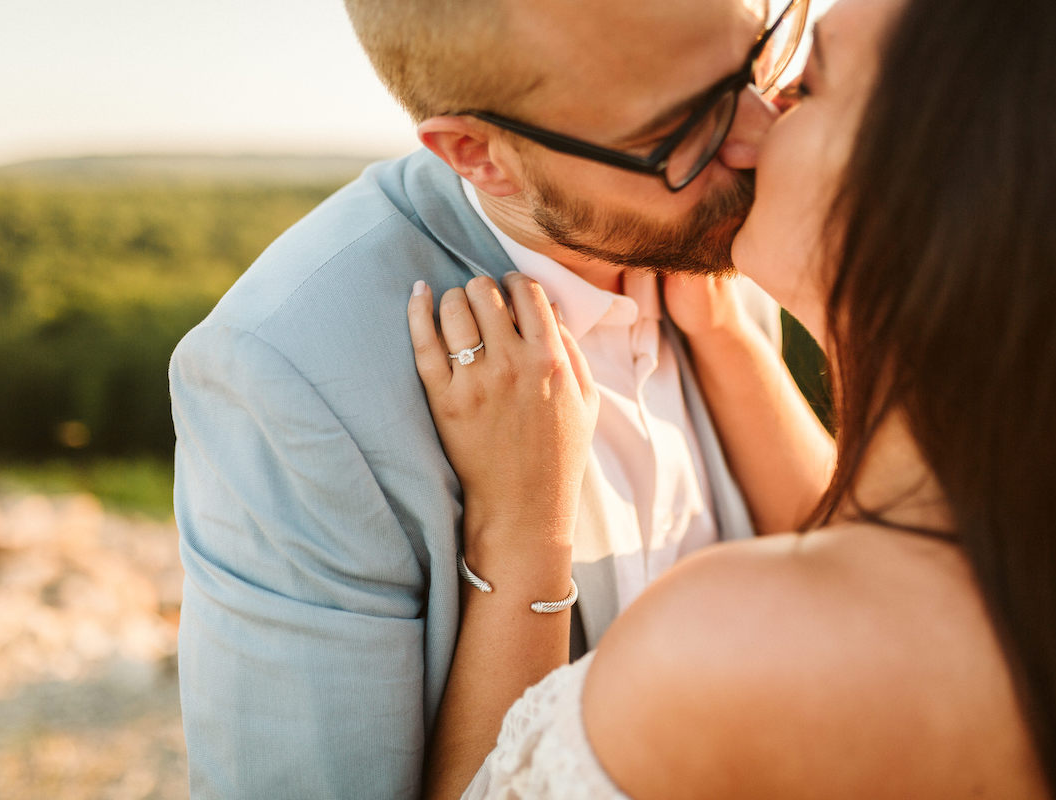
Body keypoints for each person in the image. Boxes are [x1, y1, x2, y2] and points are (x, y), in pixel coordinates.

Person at [407, 0, 1056, 795]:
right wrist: (726, 340)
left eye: (805, 85)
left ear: (943, 191)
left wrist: (523, 536)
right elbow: (871, 547)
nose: (745, 130)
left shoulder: (722, 650)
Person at [168, 0, 832, 795]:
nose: (761, 134)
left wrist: (730, 344)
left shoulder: (715, 226)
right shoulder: (289, 372)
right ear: (479, 154)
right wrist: (524, 528)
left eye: (761, 52)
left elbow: (862, 585)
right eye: (681, 128)